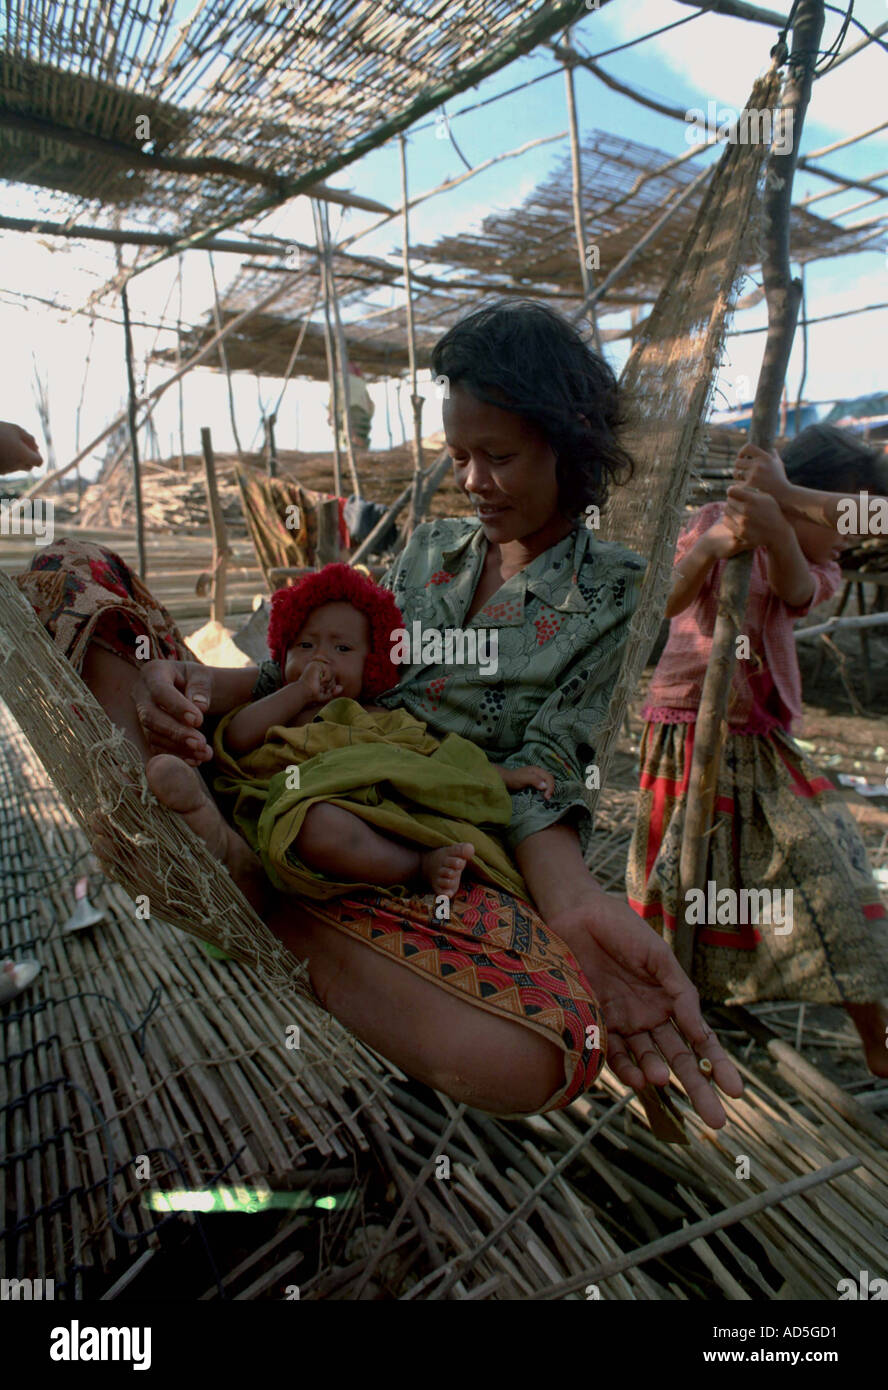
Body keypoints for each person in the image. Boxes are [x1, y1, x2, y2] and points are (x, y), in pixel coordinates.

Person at [15, 300, 743, 1123]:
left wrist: (572, 907)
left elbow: (548, 770)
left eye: (496, 456)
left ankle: (255, 888)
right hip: (294, 752)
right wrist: (188, 685)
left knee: (546, 1053)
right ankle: (237, 862)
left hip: (413, 840)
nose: (472, 482)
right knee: (67, 569)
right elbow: (334, 673)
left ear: (568, 437)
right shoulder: (433, 550)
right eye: (461, 456)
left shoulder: (617, 590)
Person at [627, 431, 888, 1076]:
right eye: (842, 521)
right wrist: (717, 546)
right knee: (679, 879)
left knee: (831, 875)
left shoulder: (809, 553)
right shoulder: (716, 520)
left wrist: (779, 516)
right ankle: (666, 1012)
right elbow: (663, 601)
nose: (849, 539)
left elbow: (798, 588)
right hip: (688, 729)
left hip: (764, 739)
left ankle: (874, 1033)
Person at [212, 562, 555, 902]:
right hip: (285, 810)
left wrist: (504, 776)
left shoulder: (375, 715)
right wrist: (299, 692)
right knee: (311, 825)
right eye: (304, 645)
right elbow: (236, 739)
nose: (321, 658)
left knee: (328, 826)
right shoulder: (281, 705)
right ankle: (218, 841)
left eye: (342, 649)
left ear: (371, 664)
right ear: (283, 650)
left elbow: (433, 757)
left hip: (357, 815)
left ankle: (417, 865)